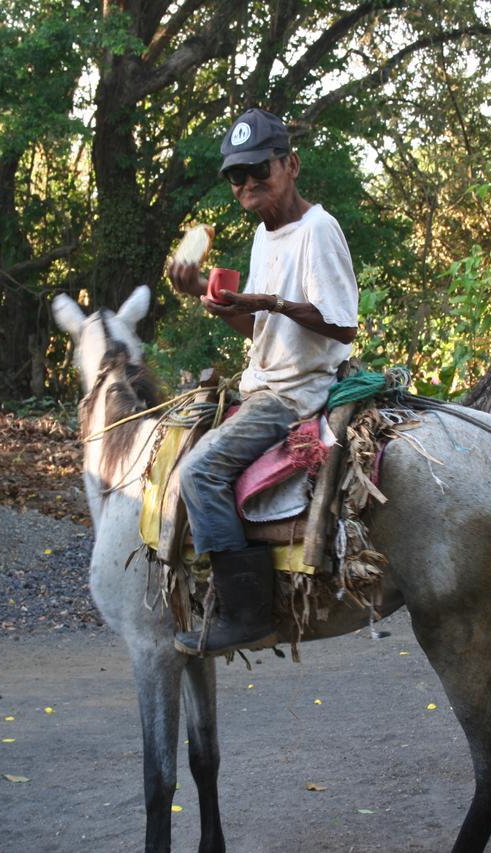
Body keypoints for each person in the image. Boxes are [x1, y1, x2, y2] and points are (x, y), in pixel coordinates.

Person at [168, 107, 359, 656]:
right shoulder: (262, 236)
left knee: (201, 471)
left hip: (292, 393)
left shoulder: (317, 229)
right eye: (237, 175)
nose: (248, 183)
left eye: (260, 170)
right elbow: (258, 326)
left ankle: (247, 614)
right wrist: (207, 294)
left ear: (290, 165)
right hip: (260, 381)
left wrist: (270, 300)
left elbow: (342, 323)